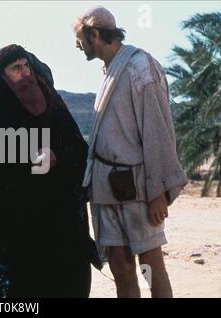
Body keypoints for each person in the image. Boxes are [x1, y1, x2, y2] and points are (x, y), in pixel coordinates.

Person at [0, 44, 101, 298]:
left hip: (60, 225)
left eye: (26, 66)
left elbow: (79, 151)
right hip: (12, 231)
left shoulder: (53, 106)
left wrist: (56, 158)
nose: (25, 73)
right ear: (2, 75)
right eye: (16, 68)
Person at [72, 7, 188, 298]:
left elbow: (158, 131)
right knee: (121, 270)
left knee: (151, 265)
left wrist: (158, 191)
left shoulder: (140, 67)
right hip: (105, 189)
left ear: (94, 35)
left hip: (136, 187)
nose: (77, 45)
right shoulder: (109, 70)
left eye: (80, 38)